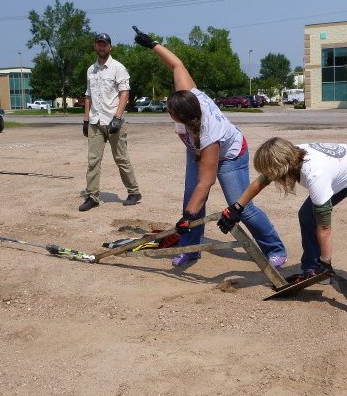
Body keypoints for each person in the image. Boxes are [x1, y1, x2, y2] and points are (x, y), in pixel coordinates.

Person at [133, 26, 287, 267]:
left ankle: (275, 249)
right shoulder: (188, 95)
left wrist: (186, 218)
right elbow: (177, 66)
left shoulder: (208, 135)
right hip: (196, 151)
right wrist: (152, 44)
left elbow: (206, 182)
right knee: (191, 201)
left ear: (182, 116)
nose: (167, 110)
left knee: (241, 206)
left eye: (169, 110)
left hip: (230, 155)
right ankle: (191, 249)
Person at [217, 137, 347, 307]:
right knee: (306, 215)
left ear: (284, 167)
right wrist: (237, 208)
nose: (272, 178)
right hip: (346, 170)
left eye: (273, 173)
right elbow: (260, 181)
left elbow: (324, 226)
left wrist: (327, 262)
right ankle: (311, 268)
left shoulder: (314, 174)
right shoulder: (290, 154)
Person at [79, 33, 141, 211]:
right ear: (95, 46)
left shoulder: (118, 68)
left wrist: (117, 117)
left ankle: (134, 191)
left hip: (113, 121)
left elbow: (124, 93)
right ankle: (92, 196)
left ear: (110, 47)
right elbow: (88, 95)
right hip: (95, 121)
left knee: (120, 157)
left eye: (104, 44)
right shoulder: (91, 70)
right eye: (99, 44)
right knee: (93, 160)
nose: (101, 47)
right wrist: (85, 119)